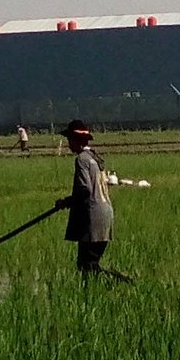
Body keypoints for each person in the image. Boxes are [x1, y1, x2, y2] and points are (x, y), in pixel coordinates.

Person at [54, 119, 124, 281]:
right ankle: (112, 284)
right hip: (106, 214)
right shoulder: (95, 158)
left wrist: (66, 202)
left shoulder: (82, 160)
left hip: (93, 218)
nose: (68, 144)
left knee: (87, 265)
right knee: (90, 263)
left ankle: (120, 282)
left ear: (76, 140)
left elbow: (85, 190)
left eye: (70, 140)